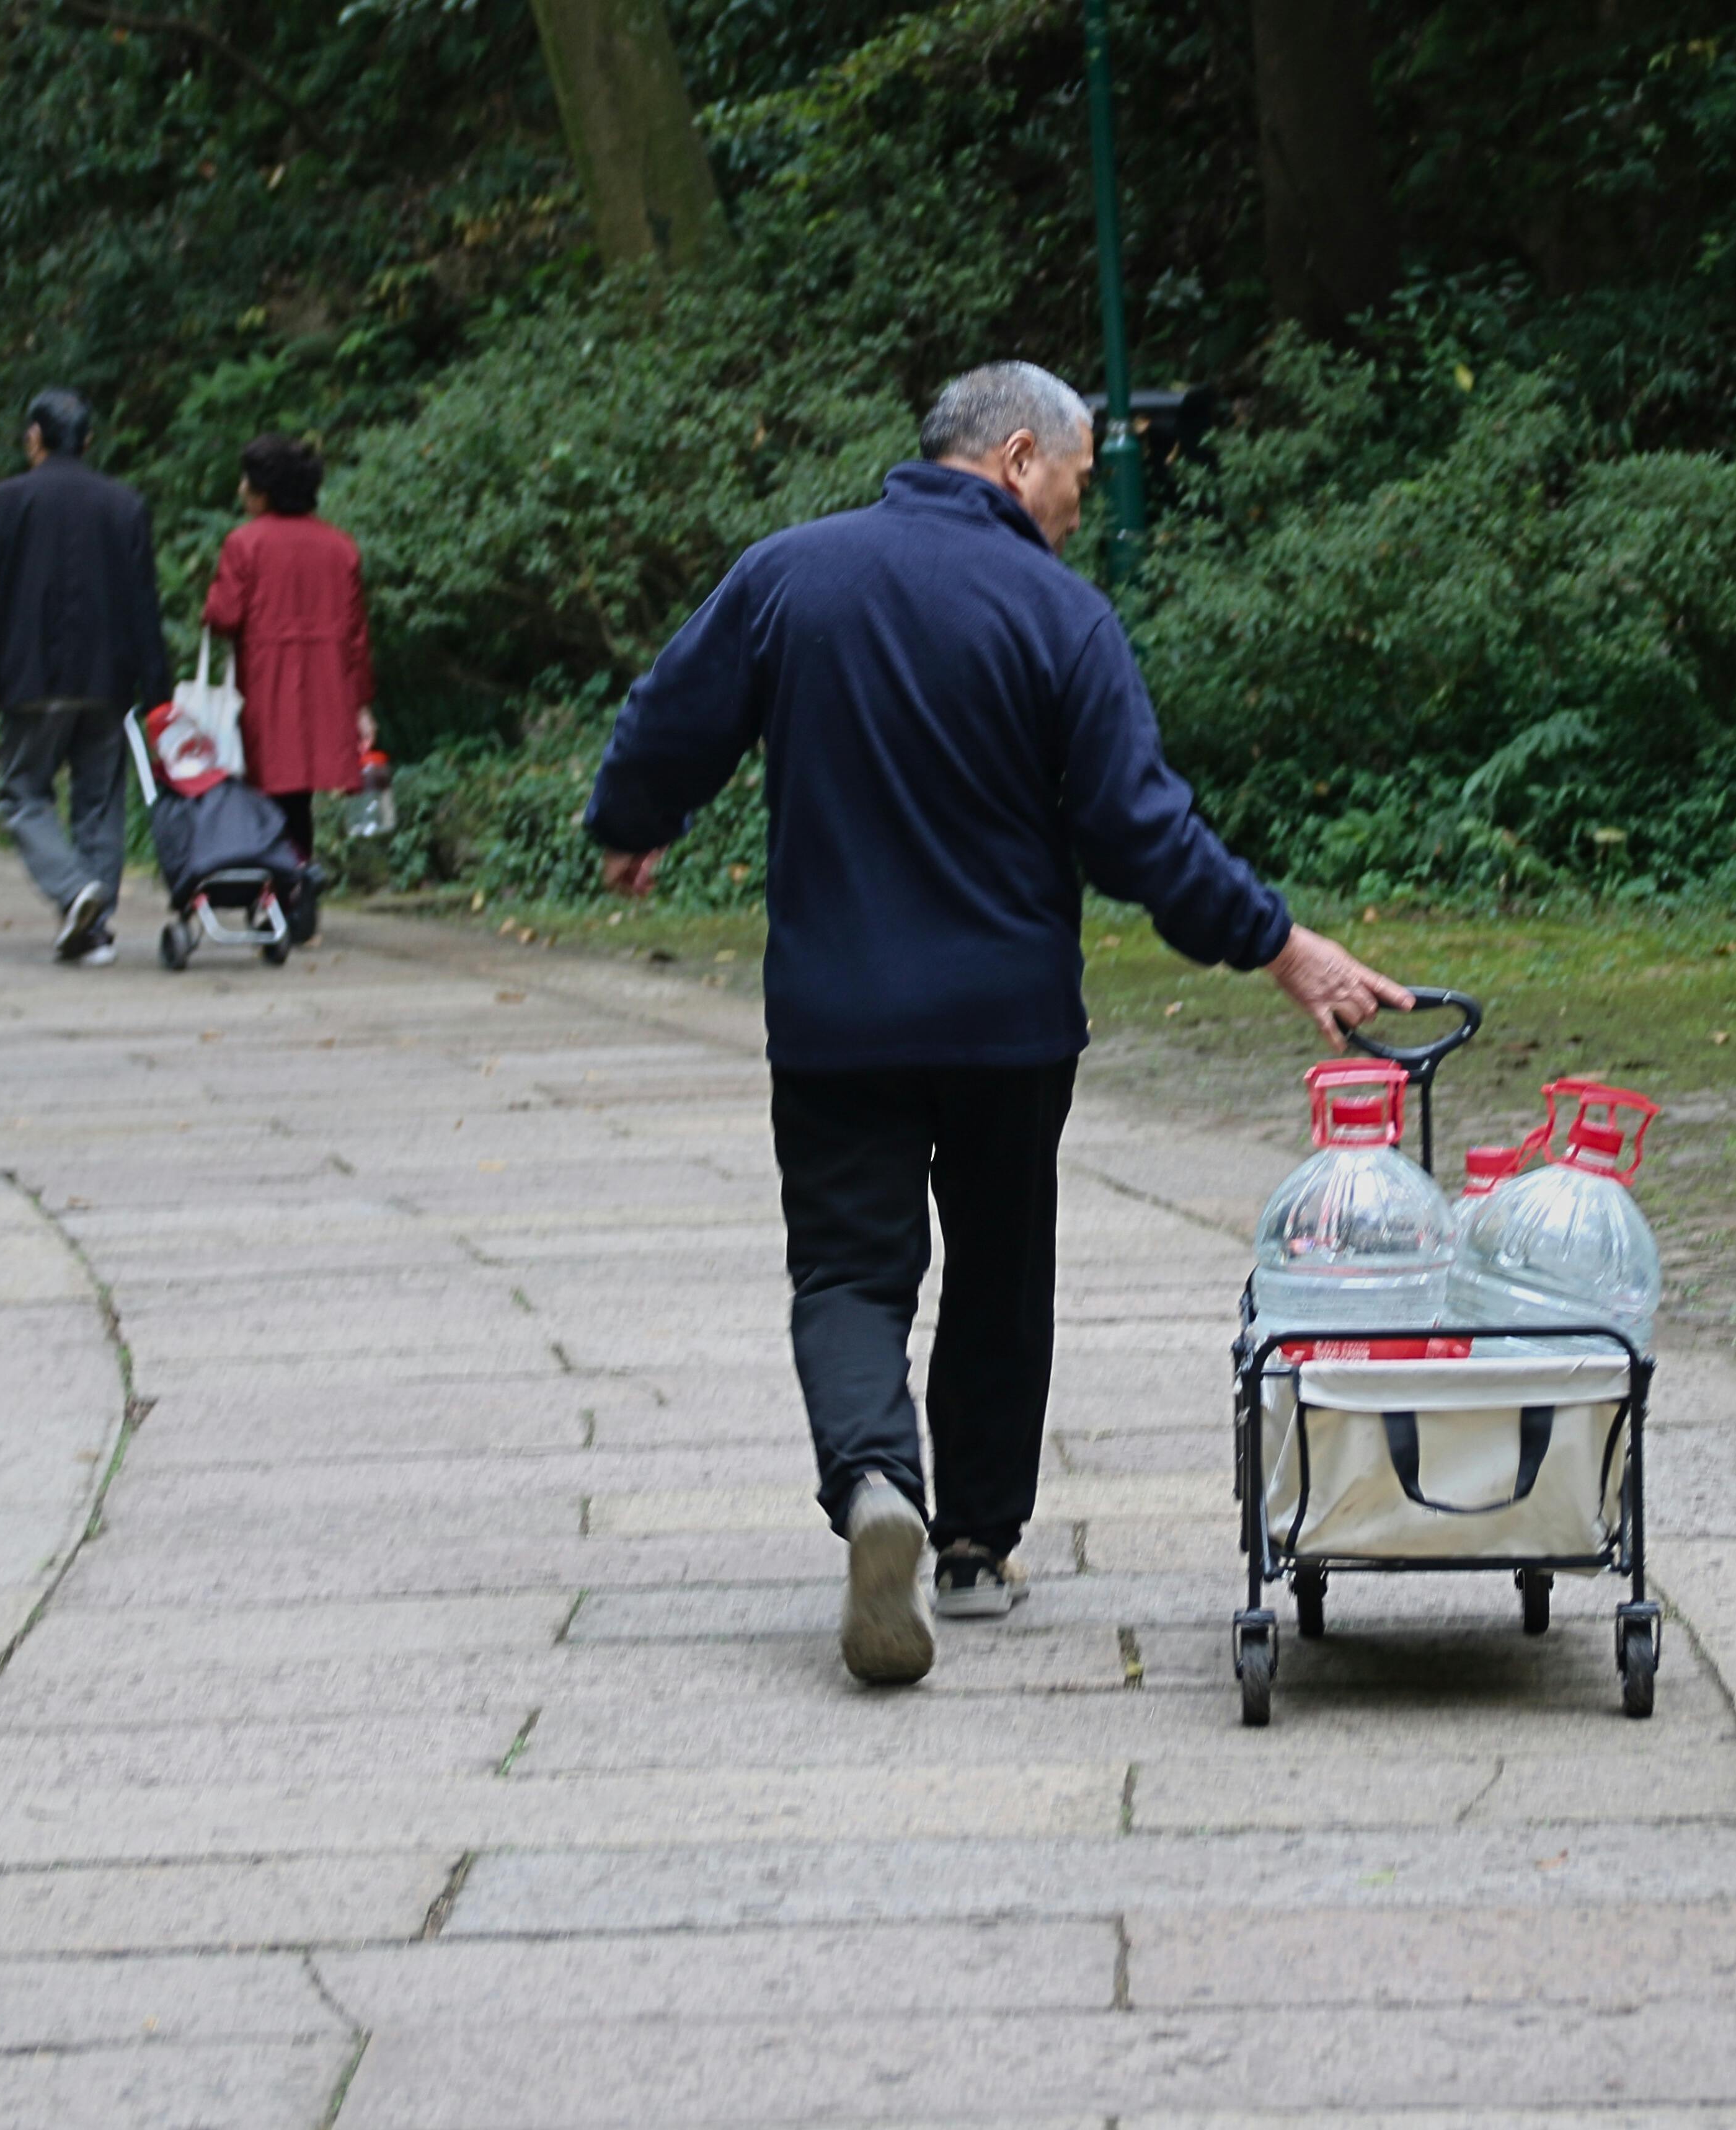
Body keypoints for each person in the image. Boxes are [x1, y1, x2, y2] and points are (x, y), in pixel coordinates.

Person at [586, 360, 1409, 1686]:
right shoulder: (1057, 614)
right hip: (1006, 1022)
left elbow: (669, 716)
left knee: (850, 1270)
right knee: (998, 1267)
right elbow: (1139, 830)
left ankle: (871, 1480)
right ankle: (970, 1545)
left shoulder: (791, 573)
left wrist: (633, 821)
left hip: (835, 1013)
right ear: (1019, 456)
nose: (1076, 513)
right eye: (1077, 483)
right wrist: (1278, 944)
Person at [0, 387, 171, 965]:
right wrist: (160, 691)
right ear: (87, 442)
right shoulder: (124, 505)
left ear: (34, 438)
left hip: (31, 676)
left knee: (23, 796)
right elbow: (145, 605)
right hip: (107, 680)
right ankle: (92, 927)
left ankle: (74, 894)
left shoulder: (3, 503)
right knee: (98, 802)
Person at [202, 433, 374, 942]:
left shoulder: (245, 544)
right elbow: (357, 633)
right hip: (324, 683)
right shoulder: (340, 547)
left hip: (265, 682)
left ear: (264, 492)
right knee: (297, 795)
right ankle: (299, 894)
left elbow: (224, 615)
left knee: (263, 791)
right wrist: (361, 702)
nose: (240, 489)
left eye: (247, 482)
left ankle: (278, 893)